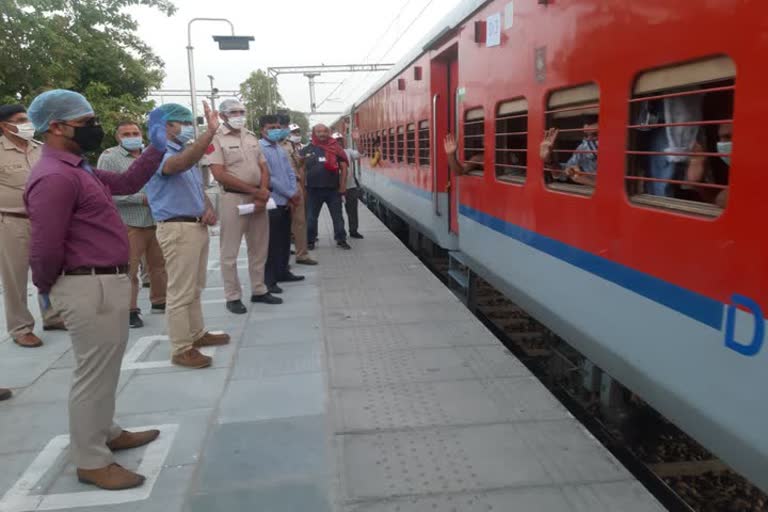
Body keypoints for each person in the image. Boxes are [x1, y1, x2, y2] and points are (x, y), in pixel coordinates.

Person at [25, 89, 167, 490]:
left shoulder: (77, 167)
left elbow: (126, 181)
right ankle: (91, 459)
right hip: (87, 284)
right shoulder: (55, 175)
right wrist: (47, 289)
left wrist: (155, 150)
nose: (95, 129)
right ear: (56, 126)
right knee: (93, 376)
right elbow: (45, 243)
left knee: (105, 370)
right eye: (86, 123)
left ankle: (106, 431)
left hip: (103, 281)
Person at [145, 102, 230, 369]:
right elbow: (179, 166)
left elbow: (194, 185)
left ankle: (197, 334)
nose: (184, 127)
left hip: (194, 225)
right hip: (177, 227)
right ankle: (181, 348)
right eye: (180, 122)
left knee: (195, 286)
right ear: (166, 125)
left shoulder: (180, 149)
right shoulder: (158, 152)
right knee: (180, 291)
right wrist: (210, 133)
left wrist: (207, 208)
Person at [0, 104, 66, 348]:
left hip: (45, 221)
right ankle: (21, 328)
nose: (27, 124)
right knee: (15, 278)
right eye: (20, 119)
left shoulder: (41, 150)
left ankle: (52, 315)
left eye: (27, 119)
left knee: (48, 270)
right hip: (11, 221)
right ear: (5, 126)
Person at [209, 99, 280, 315]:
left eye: (241, 111)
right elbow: (219, 173)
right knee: (229, 251)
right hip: (234, 199)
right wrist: (255, 192)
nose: (239, 115)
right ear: (223, 116)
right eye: (233, 112)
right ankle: (233, 296)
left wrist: (263, 191)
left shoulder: (249, 137)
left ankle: (259, 289)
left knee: (259, 247)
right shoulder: (216, 139)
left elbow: (263, 167)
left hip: (258, 198)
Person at [98, 121, 167, 328]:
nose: (132, 136)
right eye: (126, 134)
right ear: (118, 138)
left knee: (159, 266)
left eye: (135, 133)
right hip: (129, 222)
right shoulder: (109, 158)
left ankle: (160, 301)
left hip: (156, 219)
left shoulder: (151, 155)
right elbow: (105, 192)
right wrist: (140, 199)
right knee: (129, 269)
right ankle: (130, 310)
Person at [259, 114, 303, 294]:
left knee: (285, 239)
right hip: (273, 201)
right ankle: (269, 280)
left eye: (278, 127)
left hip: (285, 200)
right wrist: (289, 193)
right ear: (262, 130)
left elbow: (290, 172)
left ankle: (283, 271)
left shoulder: (279, 148)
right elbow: (270, 178)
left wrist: (294, 191)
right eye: (271, 127)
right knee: (271, 243)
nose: (276, 130)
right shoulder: (260, 148)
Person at [302, 124, 350, 250]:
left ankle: (341, 239)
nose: (322, 134)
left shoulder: (336, 148)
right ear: (313, 133)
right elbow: (301, 170)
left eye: (324, 131)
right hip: (313, 190)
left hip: (333, 190)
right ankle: (310, 240)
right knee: (311, 217)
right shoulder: (306, 150)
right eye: (318, 131)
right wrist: (302, 189)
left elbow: (344, 168)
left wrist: (343, 186)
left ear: (328, 133)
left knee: (337, 217)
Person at [283, 122, 317, 265]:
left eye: (298, 132)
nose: (297, 135)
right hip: (283, 189)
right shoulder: (277, 146)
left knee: (300, 222)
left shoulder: (293, 147)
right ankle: (284, 253)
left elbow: (298, 167)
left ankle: (302, 254)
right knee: (283, 223)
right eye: (294, 132)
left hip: (298, 186)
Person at [539, 117, 599, 186]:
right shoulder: (584, 148)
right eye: (586, 135)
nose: (589, 140)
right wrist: (548, 159)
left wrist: (590, 181)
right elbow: (562, 173)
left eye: (595, 135)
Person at [332, 132, 364, 239]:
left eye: (340, 140)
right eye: (337, 140)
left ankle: (353, 231)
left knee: (352, 211)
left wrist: (357, 140)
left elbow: (361, 153)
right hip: (335, 188)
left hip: (350, 187)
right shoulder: (329, 152)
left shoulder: (348, 151)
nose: (339, 142)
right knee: (337, 213)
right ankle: (340, 233)